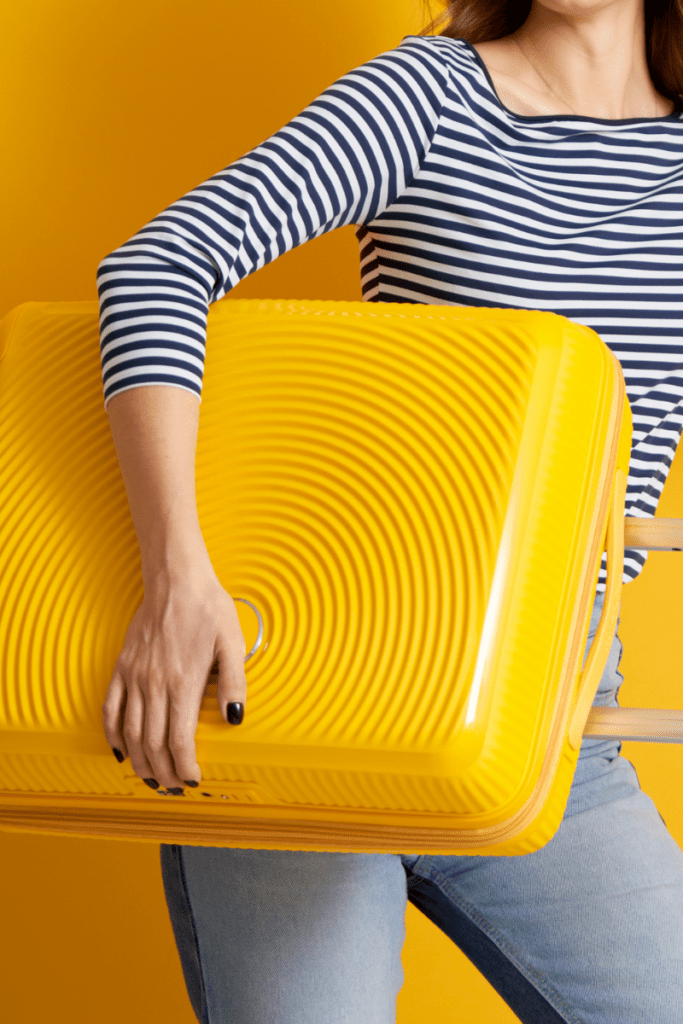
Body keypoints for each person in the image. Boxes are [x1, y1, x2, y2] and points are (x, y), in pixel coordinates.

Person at [97, 1, 683, 1020]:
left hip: (552, 727)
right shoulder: (425, 97)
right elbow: (155, 266)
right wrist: (177, 580)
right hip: (315, 701)